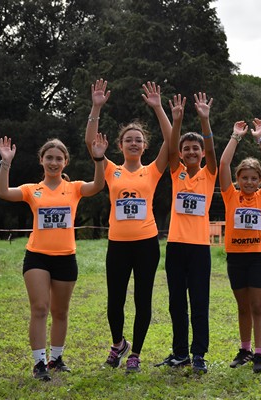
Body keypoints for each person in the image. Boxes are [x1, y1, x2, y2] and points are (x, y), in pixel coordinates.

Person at [0, 134, 107, 380]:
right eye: (49, 158)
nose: (53, 162)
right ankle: (39, 364)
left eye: (58, 158)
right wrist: (6, 163)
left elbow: (98, 186)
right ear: (42, 160)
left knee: (60, 311)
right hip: (37, 257)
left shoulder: (74, 188)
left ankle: (56, 359)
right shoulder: (31, 190)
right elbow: (3, 192)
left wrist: (99, 159)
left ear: (65, 162)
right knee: (39, 308)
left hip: (66, 257)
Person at [86, 79, 170, 373]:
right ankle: (118, 342)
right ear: (120, 145)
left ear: (144, 146)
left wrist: (159, 108)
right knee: (115, 300)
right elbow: (90, 144)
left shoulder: (152, 170)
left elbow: (171, 144)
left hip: (147, 243)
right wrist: (96, 107)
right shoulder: (111, 169)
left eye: (138, 140)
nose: (133, 143)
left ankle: (136, 352)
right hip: (118, 245)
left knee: (142, 298)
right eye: (128, 140)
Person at [156, 92, 217, 374]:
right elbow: (170, 147)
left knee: (199, 302)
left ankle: (199, 353)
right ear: (181, 153)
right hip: (176, 246)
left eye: (196, 149)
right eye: (187, 149)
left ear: (202, 153)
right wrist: (176, 120)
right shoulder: (175, 170)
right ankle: (180, 352)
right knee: (176, 302)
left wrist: (204, 120)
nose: (192, 152)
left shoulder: (209, 172)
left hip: (199, 249)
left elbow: (212, 150)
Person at [219, 118, 261, 373]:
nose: (250, 182)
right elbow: (223, 164)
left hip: (259, 257)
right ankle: (245, 349)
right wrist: (235, 136)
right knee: (243, 306)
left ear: (260, 180)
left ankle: (260, 355)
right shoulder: (230, 195)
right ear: (238, 179)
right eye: (245, 178)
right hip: (235, 257)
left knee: (258, 305)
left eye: (254, 178)